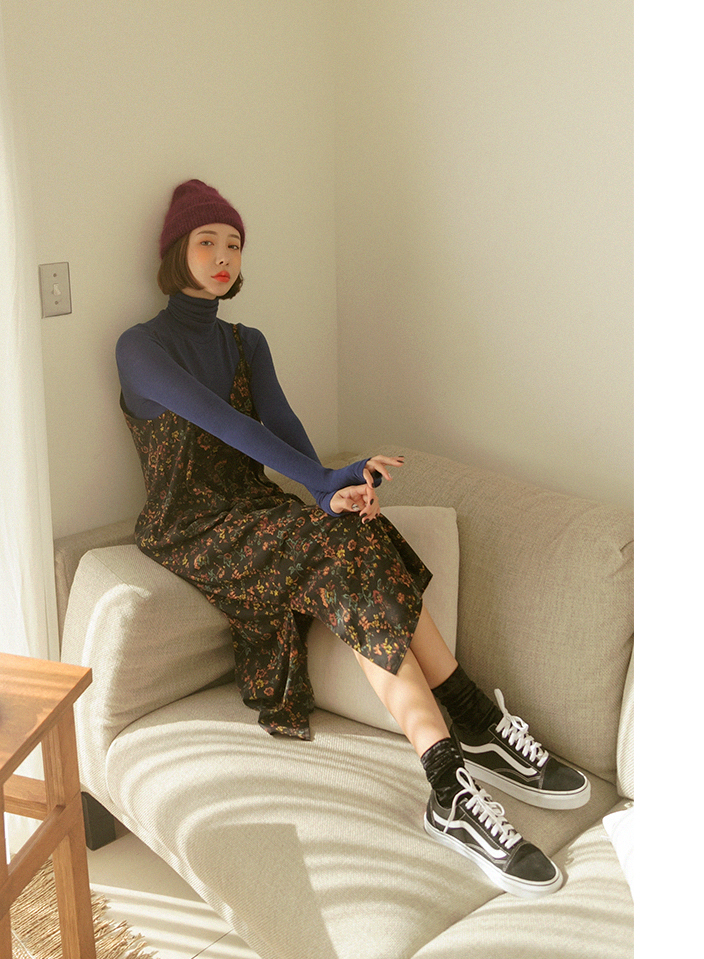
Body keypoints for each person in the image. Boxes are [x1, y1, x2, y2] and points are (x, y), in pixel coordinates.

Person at [115, 183, 591, 893]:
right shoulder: (140, 348)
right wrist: (318, 480)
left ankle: (454, 768)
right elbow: (227, 424)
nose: (222, 256)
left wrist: (329, 491)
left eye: (234, 243)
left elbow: (280, 423)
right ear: (175, 250)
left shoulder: (248, 343)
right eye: (206, 240)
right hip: (191, 526)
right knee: (343, 544)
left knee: (358, 532)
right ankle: (466, 737)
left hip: (254, 507)